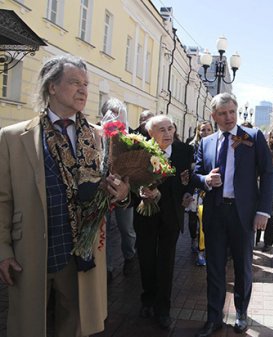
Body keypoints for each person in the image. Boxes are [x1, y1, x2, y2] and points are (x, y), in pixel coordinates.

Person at [0, 55, 130, 337]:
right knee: (31, 326)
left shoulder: (100, 137)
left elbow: (120, 188)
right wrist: (3, 251)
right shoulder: (13, 137)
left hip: (80, 254)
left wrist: (121, 191)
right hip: (31, 252)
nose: (83, 90)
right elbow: (3, 200)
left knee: (74, 325)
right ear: (52, 87)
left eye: (86, 84)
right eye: (74, 82)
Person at [193, 93, 273, 336]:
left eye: (231, 112)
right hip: (215, 213)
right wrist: (205, 180)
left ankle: (241, 313)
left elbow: (268, 174)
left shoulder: (253, 137)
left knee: (243, 267)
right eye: (222, 113)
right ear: (213, 116)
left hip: (244, 214)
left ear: (237, 112)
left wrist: (263, 211)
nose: (228, 117)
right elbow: (196, 173)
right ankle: (214, 318)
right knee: (214, 268)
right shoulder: (206, 143)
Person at [132, 115, 193, 329]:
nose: (168, 133)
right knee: (146, 259)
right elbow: (130, 182)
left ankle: (163, 309)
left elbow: (188, 179)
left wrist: (187, 193)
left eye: (170, 128)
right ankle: (148, 299)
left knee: (166, 262)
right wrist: (140, 191)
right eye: (162, 130)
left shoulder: (185, 151)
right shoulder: (139, 153)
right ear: (151, 133)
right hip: (145, 215)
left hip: (171, 215)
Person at [100, 98, 136, 283]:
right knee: (102, 232)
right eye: (113, 118)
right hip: (100, 194)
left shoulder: (129, 140)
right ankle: (106, 269)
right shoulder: (95, 135)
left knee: (126, 229)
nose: (117, 124)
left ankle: (130, 257)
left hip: (123, 193)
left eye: (120, 120)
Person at [187, 121, 214, 266]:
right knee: (193, 218)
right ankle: (193, 238)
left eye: (209, 129)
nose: (206, 132)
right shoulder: (191, 146)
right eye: (203, 129)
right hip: (194, 187)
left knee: (204, 219)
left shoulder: (214, 145)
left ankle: (202, 249)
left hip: (208, 188)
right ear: (198, 131)